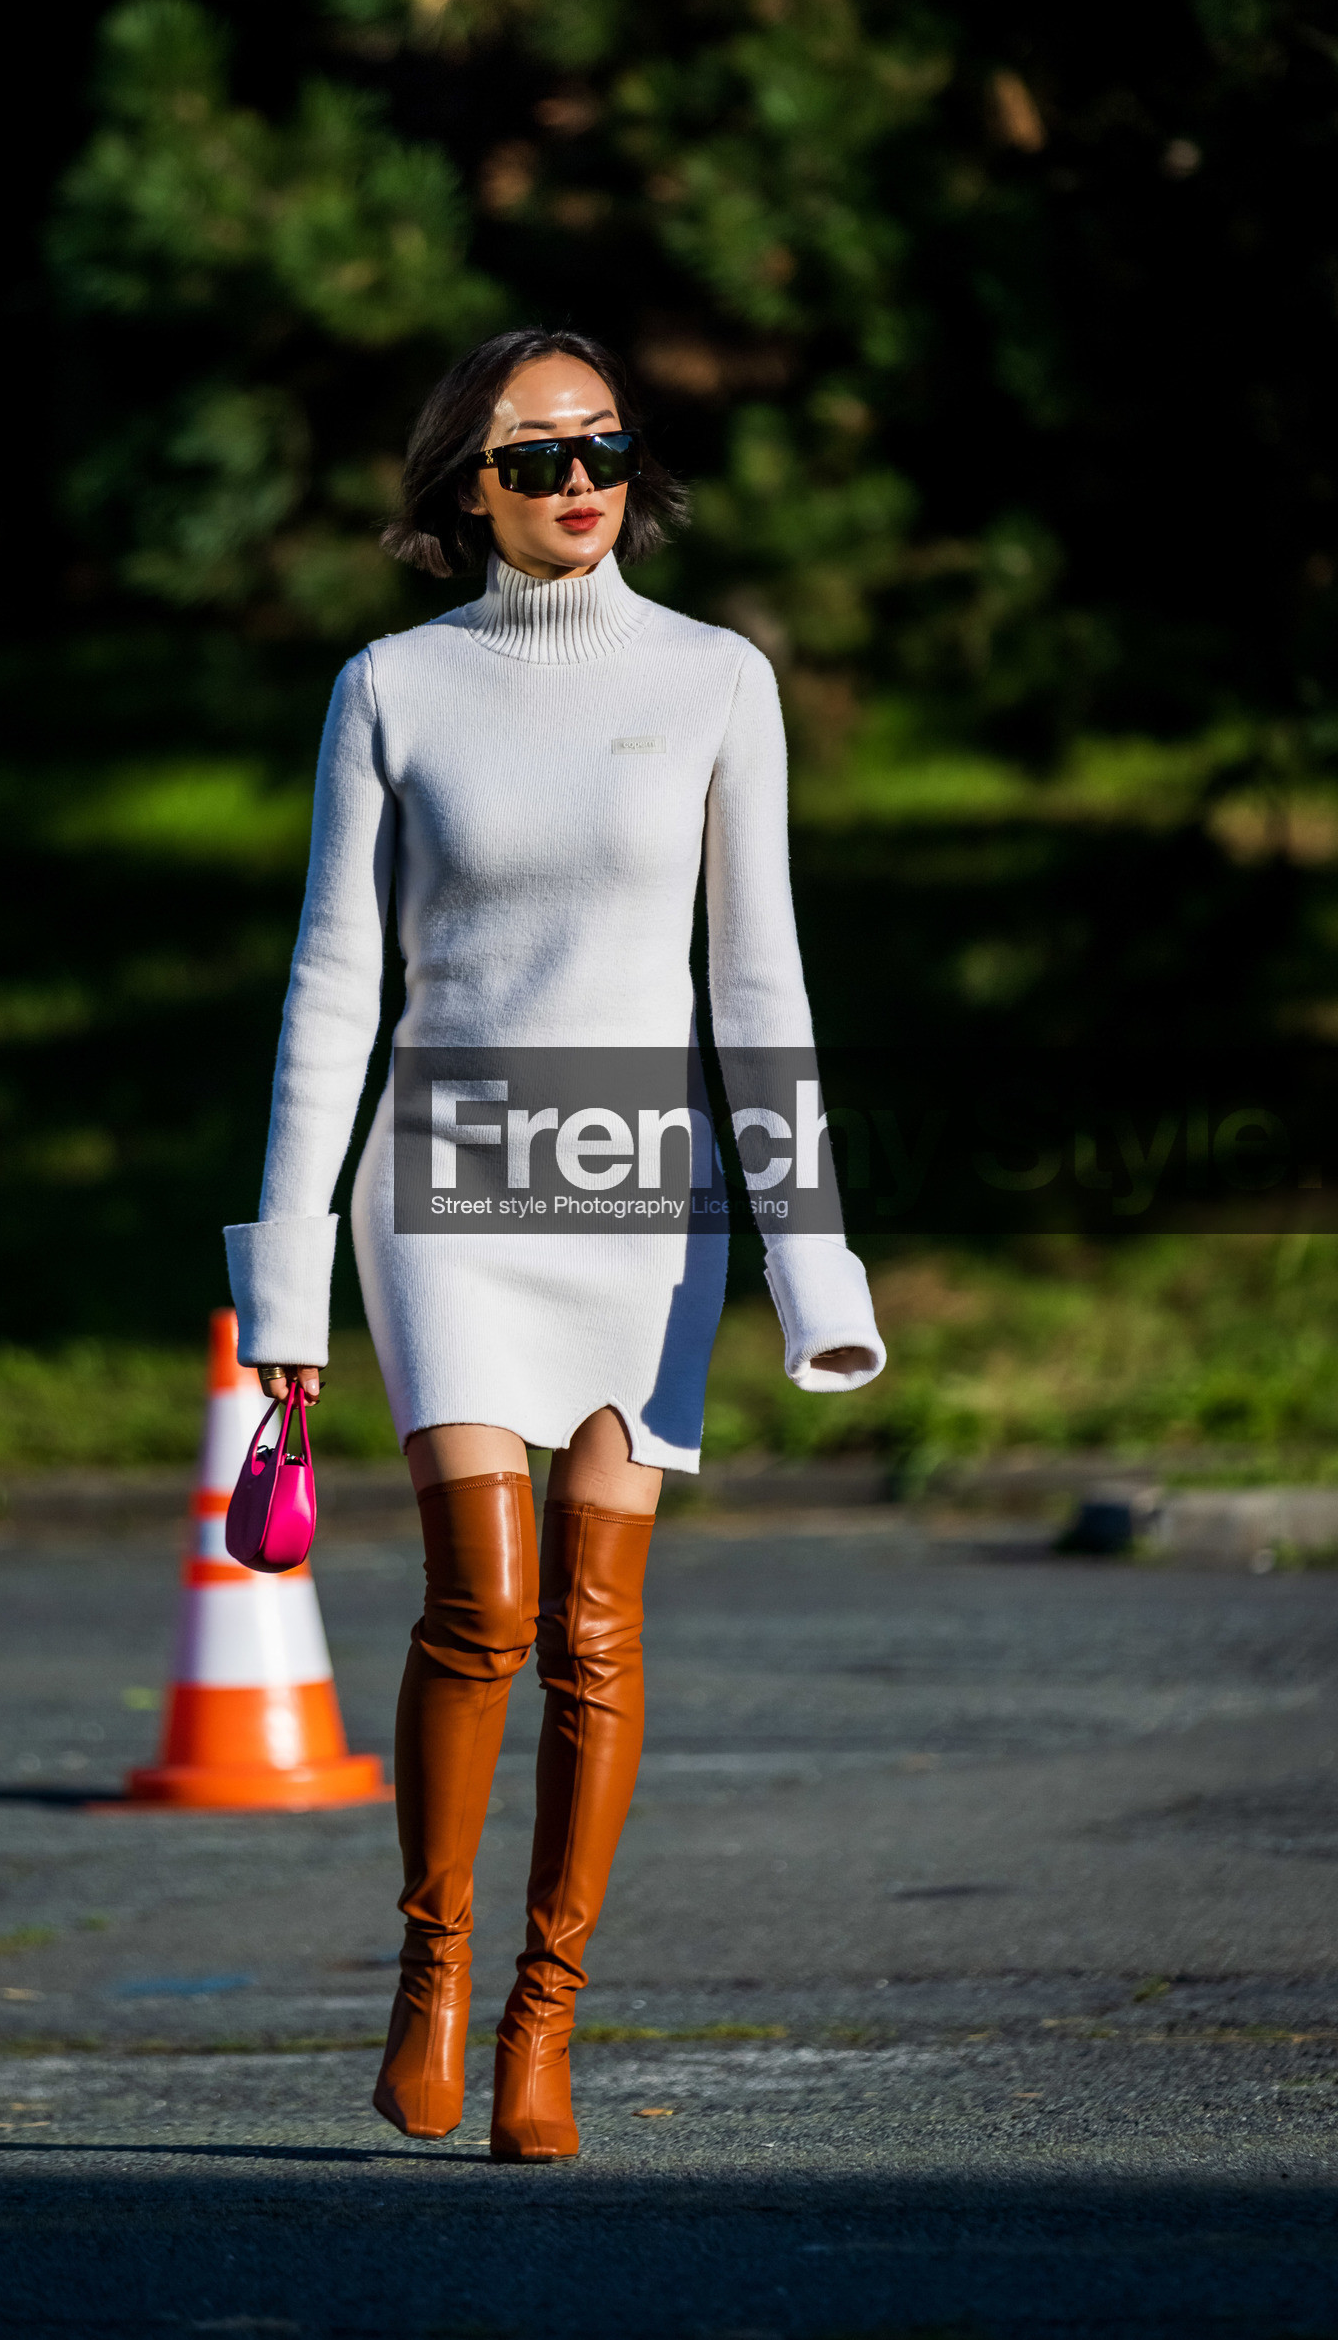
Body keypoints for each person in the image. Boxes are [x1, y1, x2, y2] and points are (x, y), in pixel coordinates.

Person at [225, 328, 885, 2161]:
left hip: (635, 1193)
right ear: (465, 488)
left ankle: (543, 2020)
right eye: (532, 455)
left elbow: (760, 987)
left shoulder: (716, 682)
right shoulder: (391, 689)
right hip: (442, 1185)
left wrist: (809, 1262)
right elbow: (332, 991)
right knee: (484, 1606)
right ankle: (430, 1969)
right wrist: (284, 1280)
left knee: (597, 1634)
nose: (578, 476)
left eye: (601, 443)